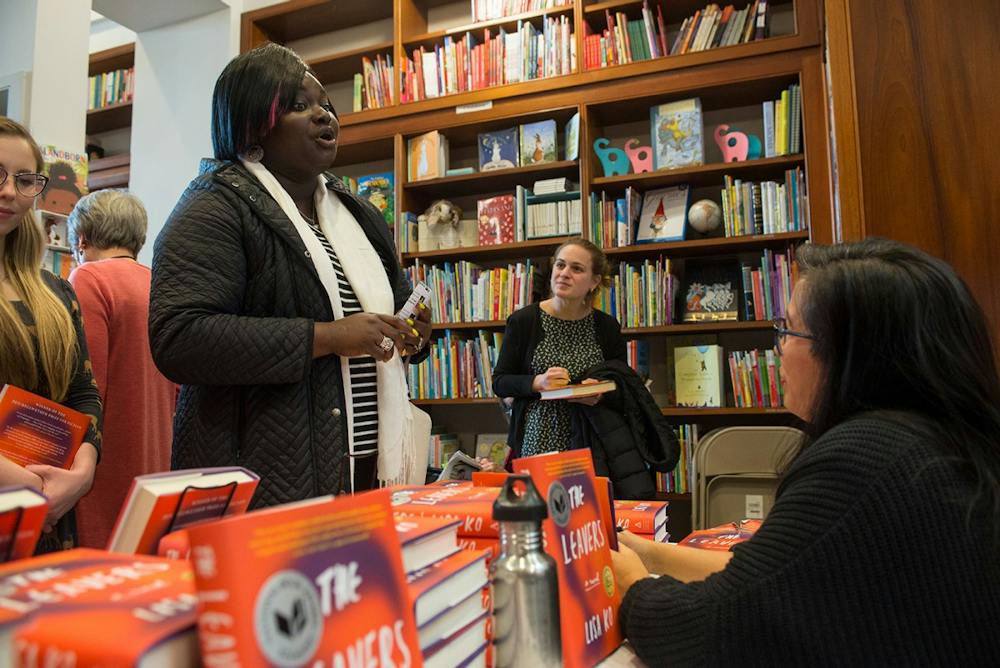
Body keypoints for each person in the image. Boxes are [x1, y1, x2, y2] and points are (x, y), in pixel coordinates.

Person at [612, 239, 1000, 664]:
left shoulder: (861, 460)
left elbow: (715, 630)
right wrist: (648, 553)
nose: (776, 349)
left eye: (788, 331)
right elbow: (775, 579)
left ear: (849, 353)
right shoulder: (933, 439)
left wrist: (631, 586)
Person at [149, 44, 431, 507]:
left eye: (326, 104)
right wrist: (327, 337)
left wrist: (413, 335)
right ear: (252, 125)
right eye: (300, 106)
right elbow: (179, 337)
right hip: (266, 481)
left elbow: (391, 313)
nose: (324, 116)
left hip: (369, 469)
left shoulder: (358, 212)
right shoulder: (213, 206)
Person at [0, 118, 101, 551]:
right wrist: (21, 483)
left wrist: (83, 472)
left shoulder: (57, 292)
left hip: (49, 518)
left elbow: (84, 392)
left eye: (25, 180)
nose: (9, 191)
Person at [66, 189, 175, 548]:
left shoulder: (88, 279)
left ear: (81, 239)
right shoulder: (160, 283)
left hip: (105, 455)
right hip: (157, 448)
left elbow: (87, 381)